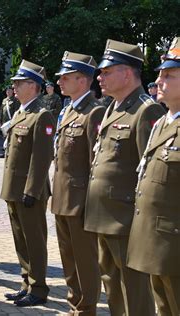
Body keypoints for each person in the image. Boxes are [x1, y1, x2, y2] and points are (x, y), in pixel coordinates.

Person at [84, 39, 165, 315]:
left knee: (134, 293)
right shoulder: (114, 107)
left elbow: (148, 171)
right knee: (113, 287)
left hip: (126, 220)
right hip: (104, 216)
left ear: (127, 73)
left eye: (107, 71)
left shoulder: (146, 110)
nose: (99, 77)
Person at [126, 36, 180, 316]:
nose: (160, 81)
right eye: (160, 74)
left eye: (169, 75)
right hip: (156, 240)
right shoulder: (162, 123)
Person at [51, 51, 105, 315]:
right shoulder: (69, 110)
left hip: (81, 201)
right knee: (68, 259)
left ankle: (87, 309)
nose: (60, 82)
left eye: (66, 77)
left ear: (83, 81)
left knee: (85, 260)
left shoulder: (94, 113)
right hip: (62, 198)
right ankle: (75, 305)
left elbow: (96, 163)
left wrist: (92, 203)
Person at [0, 60, 54, 307]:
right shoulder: (21, 112)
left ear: (33, 86)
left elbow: (41, 158)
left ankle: (39, 288)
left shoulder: (42, 115)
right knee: (21, 241)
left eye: (19, 84)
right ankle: (26, 283)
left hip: (29, 192)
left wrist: (32, 190)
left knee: (34, 240)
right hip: (14, 189)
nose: (15, 88)